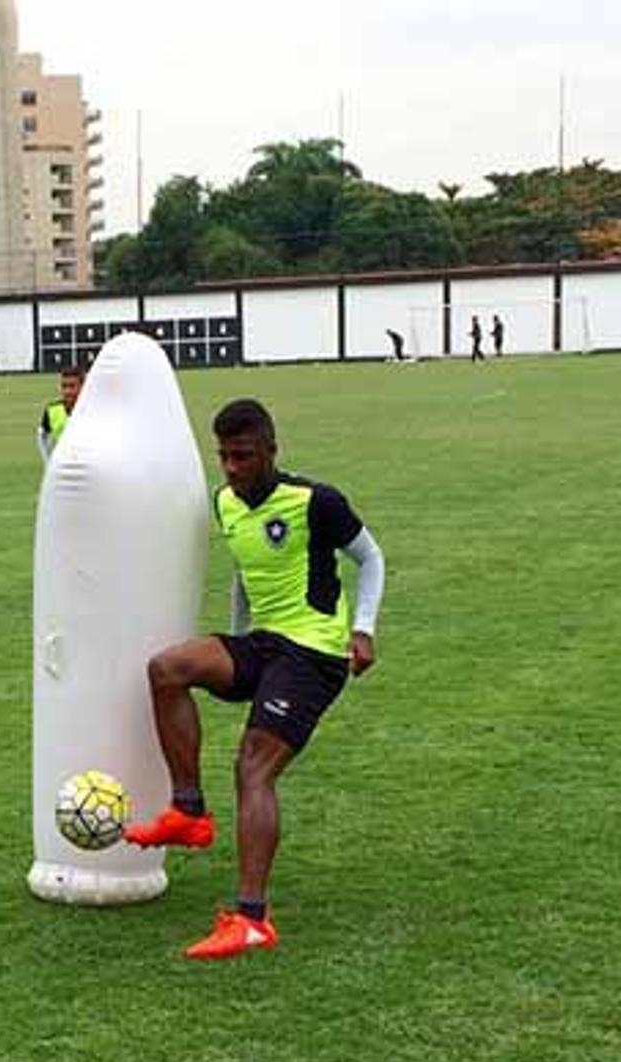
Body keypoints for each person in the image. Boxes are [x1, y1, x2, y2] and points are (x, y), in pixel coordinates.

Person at [124, 400, 386, 960]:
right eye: (223, 456)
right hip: (265, 645)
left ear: (271, 449)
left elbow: (372, 559)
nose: (232, 468)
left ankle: (251, 919)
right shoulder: (226, 504)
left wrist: (362, 631)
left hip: (313, 651)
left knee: (252, 768)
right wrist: (239, 643)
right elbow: (247, 570)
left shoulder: (316, 501)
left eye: (243, 456)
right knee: (167, 669)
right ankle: (189, 810)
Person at [37, 366, 84, 462]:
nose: (67, 391)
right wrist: (48, 461)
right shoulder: (52, 410)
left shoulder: (94, 410)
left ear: (83, 387)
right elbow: (42, 437)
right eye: (64, 386)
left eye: (72, 386)